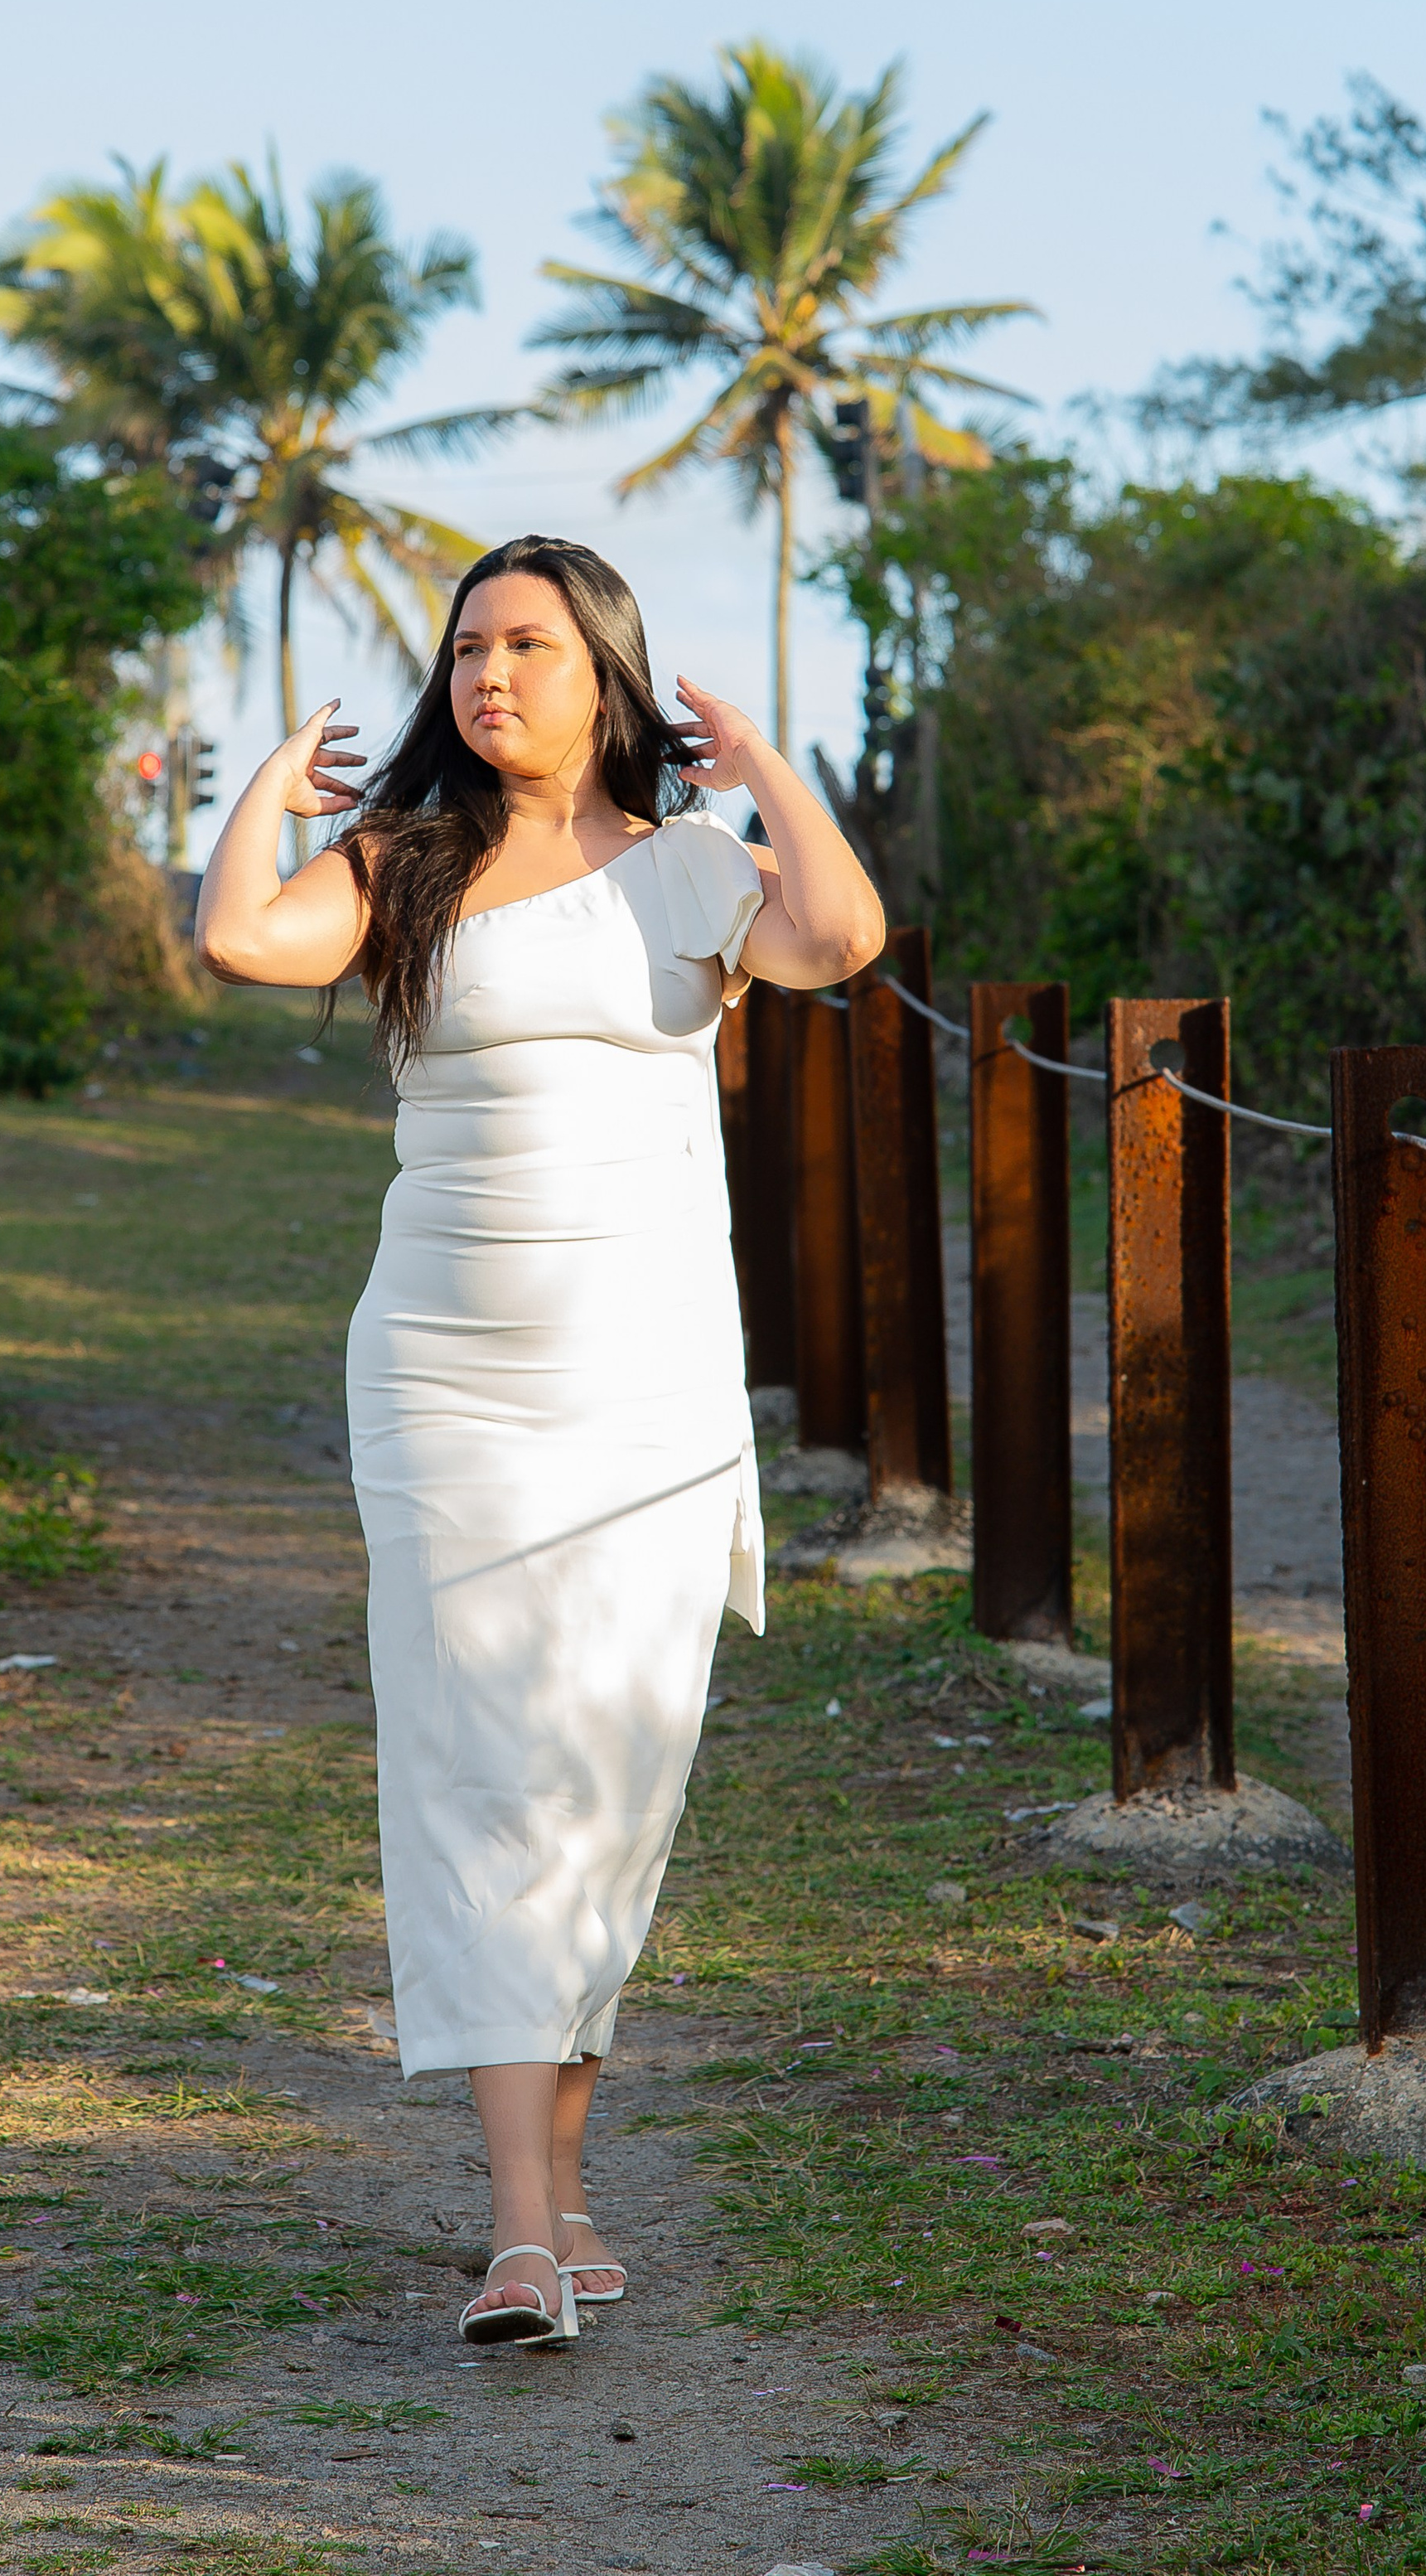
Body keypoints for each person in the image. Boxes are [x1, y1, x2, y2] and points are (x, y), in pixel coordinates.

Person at [196, 535, 882, 2347]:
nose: (490, 673)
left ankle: (566, 2188)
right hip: (446, 1379)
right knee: (481, 1770)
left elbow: (841, 939)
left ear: (604, 672)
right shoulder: (402, 865)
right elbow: (235, 937)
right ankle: (517, 2227)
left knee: (608, 1781)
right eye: (467, 648)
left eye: (528, 644)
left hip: (649, 1385)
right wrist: (274, 791)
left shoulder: (689, 875)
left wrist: (769, 774)